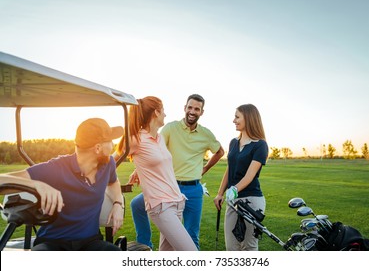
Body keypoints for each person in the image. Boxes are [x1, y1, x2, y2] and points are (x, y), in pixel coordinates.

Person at [0, 118, 125, 251]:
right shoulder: (57, 168)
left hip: (90, 242)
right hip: (53, 243)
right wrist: (36, 184)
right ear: (98, 148)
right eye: (110, 141)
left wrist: (118, 203)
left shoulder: (108, 163)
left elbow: (113, 182)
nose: (113, 145)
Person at [128, 94, 224, 250]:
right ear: (184, 108)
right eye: (190, 107)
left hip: (191, 190)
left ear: (201, 112)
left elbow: (220, 151)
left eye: (197, 109)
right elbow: (150, 149)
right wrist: (137, 169)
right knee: (136, 204)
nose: (193, 111)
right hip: (166, 188)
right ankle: (145, 246)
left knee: (191, 236)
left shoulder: (206, 134)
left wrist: (204, 168)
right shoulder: (170, 128)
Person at [116, 96, 197, 251]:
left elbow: (156, 161)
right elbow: (111, 162)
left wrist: (139, 169)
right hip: (161, 207)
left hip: (177, 203)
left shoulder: (159, 138)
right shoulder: (136, 139)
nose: (165, 114)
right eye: (163, 110)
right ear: (156, 112)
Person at [213, 104, 268, 251]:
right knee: (231, 247)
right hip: (233, 201)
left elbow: (250, 175)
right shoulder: (233, 142)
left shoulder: (260, 145)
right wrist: (220, 193)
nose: (234, 120)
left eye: (237, 117)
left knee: (249, 247)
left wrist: (234, 189)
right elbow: (229, 169)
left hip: (252, 201)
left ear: (249, 118)